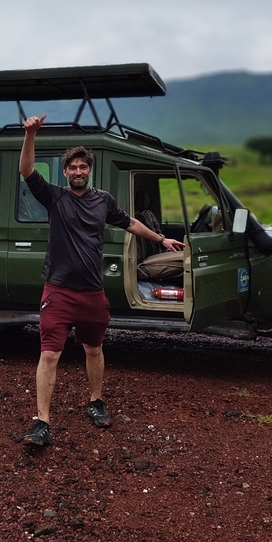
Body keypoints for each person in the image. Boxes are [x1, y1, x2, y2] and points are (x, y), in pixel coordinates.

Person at [20, 114, 185, 446]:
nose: (78, 171)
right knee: (50, 354)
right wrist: (31, 135)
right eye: (73, 167)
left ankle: (95, 402)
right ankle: (42, 421)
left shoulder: (103, 201)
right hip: (59, 290)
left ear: (89, 170)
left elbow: (130, 224)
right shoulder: (54, 197)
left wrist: (162, 239)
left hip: (92, 292)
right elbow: (26, 170)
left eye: (83, 167)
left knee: (93, 349)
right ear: (65, 172)